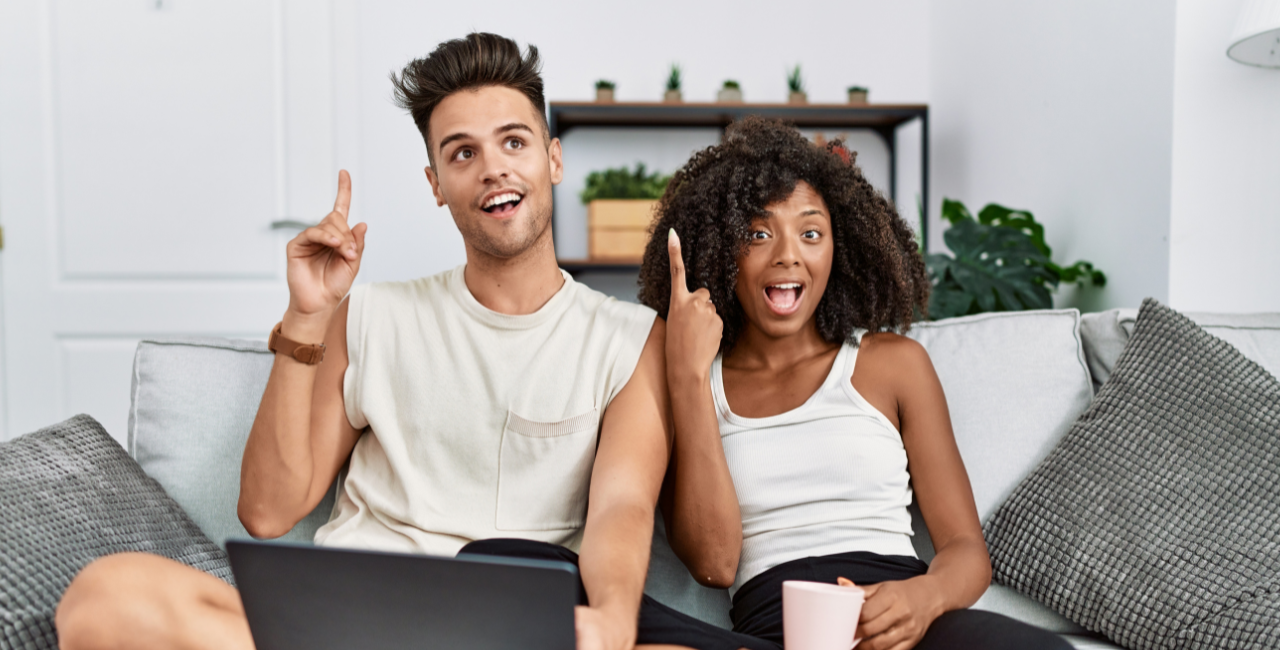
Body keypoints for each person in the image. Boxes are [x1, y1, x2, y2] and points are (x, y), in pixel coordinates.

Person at [56, 33, 768, 650]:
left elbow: (622, 505)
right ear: (436, 184)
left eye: (513, 142)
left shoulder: (627, 337)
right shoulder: (369, 316)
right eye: (463, 153)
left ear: (552, 159)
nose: (493, 168)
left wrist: (611, 623)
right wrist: (306, 316)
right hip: (343, 622)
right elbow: (269, 511)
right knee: (105, 595)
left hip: (502, 630)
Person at [639, 117, 1073, 650]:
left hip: (903, 622)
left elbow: (965, 549)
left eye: (810, 232)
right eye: (757, 233)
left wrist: (926, 598)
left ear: (839, 249)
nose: (787, 254)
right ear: (721, 250)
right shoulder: (693, 384)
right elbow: (714, 562)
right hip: (778, 633)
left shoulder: (894, 365)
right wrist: (686, 372)